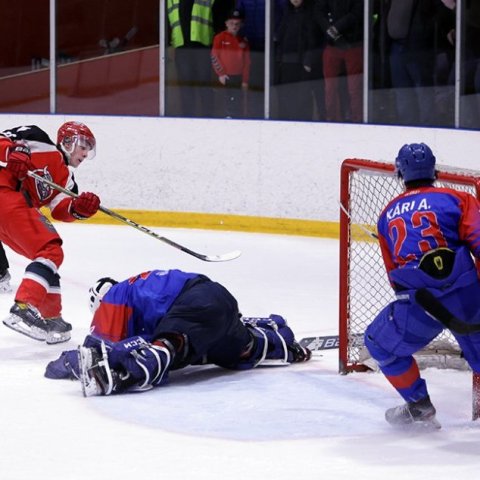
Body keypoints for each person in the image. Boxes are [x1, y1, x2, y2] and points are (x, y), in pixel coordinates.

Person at [45, 269, 311, 396]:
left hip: (196, 302)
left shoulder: (116, 295)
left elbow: (92, 350)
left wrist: (63, 363)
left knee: (164, 348)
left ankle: (124, 376)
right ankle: (282, 342)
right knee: (243, 351)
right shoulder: (143, 295)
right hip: (218, 302)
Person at [364, 143, 480, 429]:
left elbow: (394, 275)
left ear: (400, 174)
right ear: (435, 170)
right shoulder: (457, 199)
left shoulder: (387, 214)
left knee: (379, 344)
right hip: (468, 299)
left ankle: (419, 407)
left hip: (422, 305)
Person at [0, 121, 101, 344]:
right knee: (50, 251)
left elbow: (60, 210)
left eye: (89, 150)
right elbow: (2, 140)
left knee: (46, 259)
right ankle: (24, 308)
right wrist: (12, 151)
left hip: (14, 207)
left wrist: (79, 209)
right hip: (5, 191)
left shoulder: (68, 181)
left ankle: (51, 318)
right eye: (83, 146)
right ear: (67, 141)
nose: (85, 153)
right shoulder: (36, 138)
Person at [314, 0, 364, 123]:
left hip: (353, 43)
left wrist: (336, 28)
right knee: (330, 87)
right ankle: (332, 120)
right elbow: (318, 12)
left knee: (355, 87)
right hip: (333, 44)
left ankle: (358, 120)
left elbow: (357, 12)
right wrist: (334, 34)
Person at [274, 0, 317, 121]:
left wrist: (308, 60)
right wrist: (279, 60)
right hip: (285, 63)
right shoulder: (287, 13)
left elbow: (312, 39)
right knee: (284, 97)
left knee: (302, 98)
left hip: (301, 64)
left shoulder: (310, 14)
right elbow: (280, 38)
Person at [211, 9, 251, 118]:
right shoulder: (219, 38)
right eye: (232, 23)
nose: (234, 26)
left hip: (239, 77)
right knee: (227, 102)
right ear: (226, 23)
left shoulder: (243, 41)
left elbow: (247, 62)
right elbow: (214, 57)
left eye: (237, 24)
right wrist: (221, 74)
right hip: (226, 77)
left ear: (241, 25)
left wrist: (245, 80)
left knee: (237, 103)